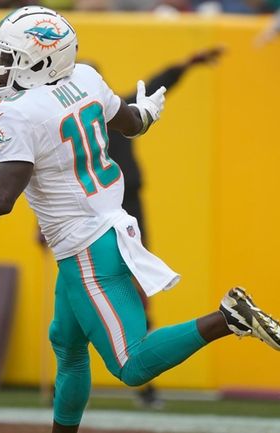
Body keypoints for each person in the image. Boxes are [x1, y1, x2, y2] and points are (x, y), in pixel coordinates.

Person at [0, 7, 280, 431]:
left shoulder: (15, 114)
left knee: (130, 363)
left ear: (41, 61)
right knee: (67, 344)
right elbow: (130, 122)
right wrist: (147, 111)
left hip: (86, 247)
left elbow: (1, 198)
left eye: (8, 57)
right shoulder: (86, 79)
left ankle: (229, 317)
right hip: (106, 230)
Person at [103, 46, 223, 409]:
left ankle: (144, 380)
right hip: (100, 215)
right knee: (99, 294)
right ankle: (125, 376)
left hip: (129, 213)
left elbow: (156, 85)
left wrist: (185, 64)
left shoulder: (112, 112)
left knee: (135, 292)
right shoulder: (69, 128)